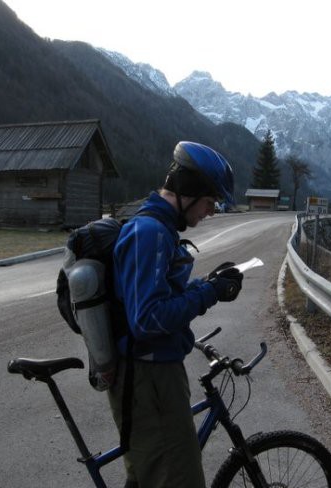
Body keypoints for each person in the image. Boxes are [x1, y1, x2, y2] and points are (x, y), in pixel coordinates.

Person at [109, 141, 244, 488]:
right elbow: (149, 318)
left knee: (150, 476)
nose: (211, 212)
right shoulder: (151, 232)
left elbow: (160, 294)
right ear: (189, 192)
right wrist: (209, 293)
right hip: (150, 378)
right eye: (210, 202)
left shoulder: (160, 230)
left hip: (153, 375)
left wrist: (207, 284)